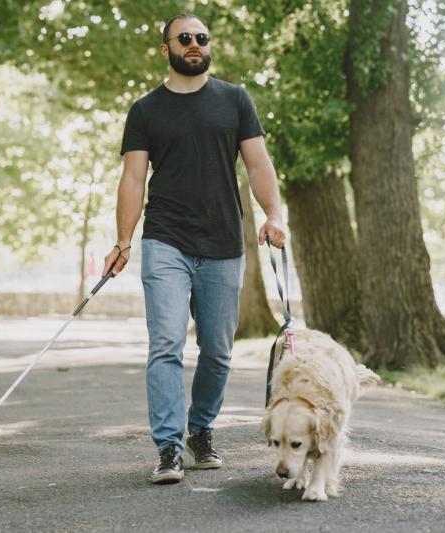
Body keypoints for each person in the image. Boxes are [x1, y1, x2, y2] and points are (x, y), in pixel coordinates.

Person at [102, 13, 285, 484]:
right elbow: (132, 178)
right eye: (184, 38)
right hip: (166, 239)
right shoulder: (145, 110)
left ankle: (199, 430)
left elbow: (258, 163)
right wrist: (123, 240)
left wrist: (274, 214)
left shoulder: (235, 99)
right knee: (165, 343)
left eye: (201, 38)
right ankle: (167, 446)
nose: (195, 44)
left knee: (218, 350)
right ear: (166, 49)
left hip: (224, 241)